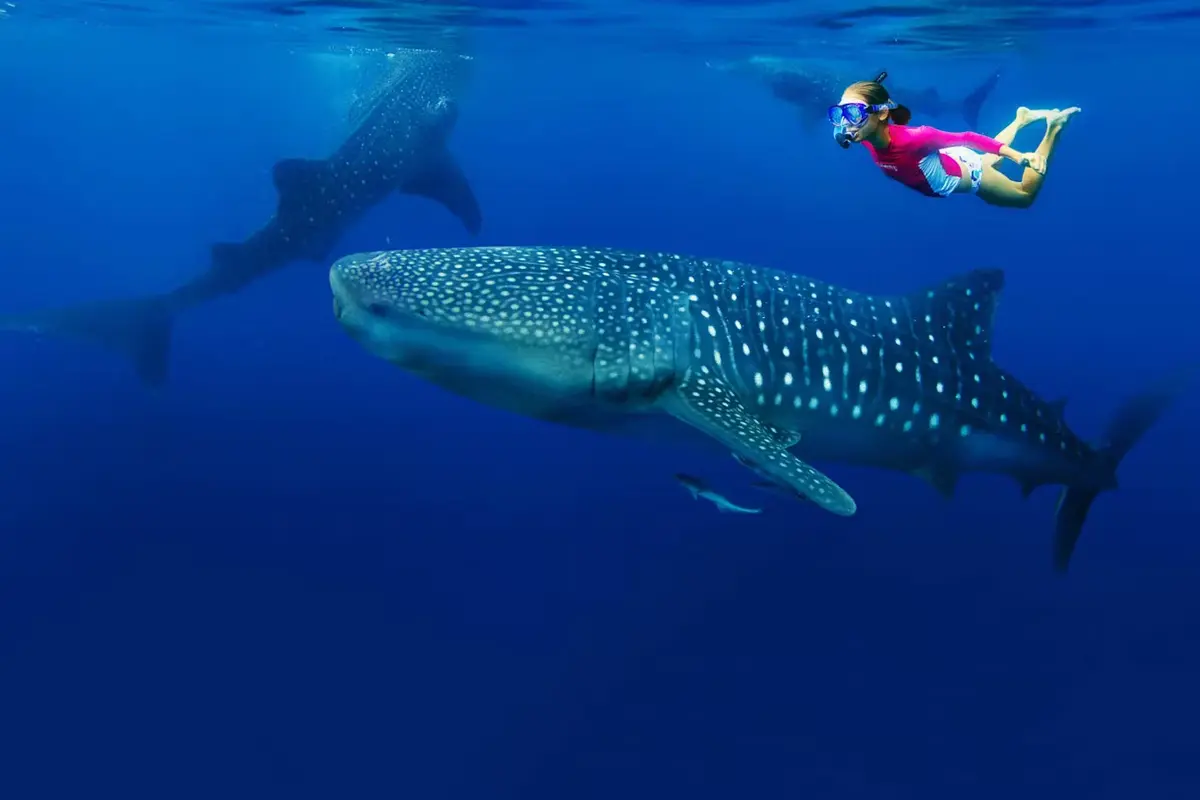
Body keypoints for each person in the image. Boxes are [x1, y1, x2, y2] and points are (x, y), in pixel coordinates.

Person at [829, 75, 1079, 208]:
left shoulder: (916, 138)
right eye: (839, 114)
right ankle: (1021, 120)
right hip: (952, 162)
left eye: (853, 114)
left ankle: (1054, 128)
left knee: (1024, 196)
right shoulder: (864, 135)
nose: (846, 123)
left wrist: (1019, 157)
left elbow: (968, 138)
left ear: (883, 113)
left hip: (971, 173)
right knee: (987, 161)